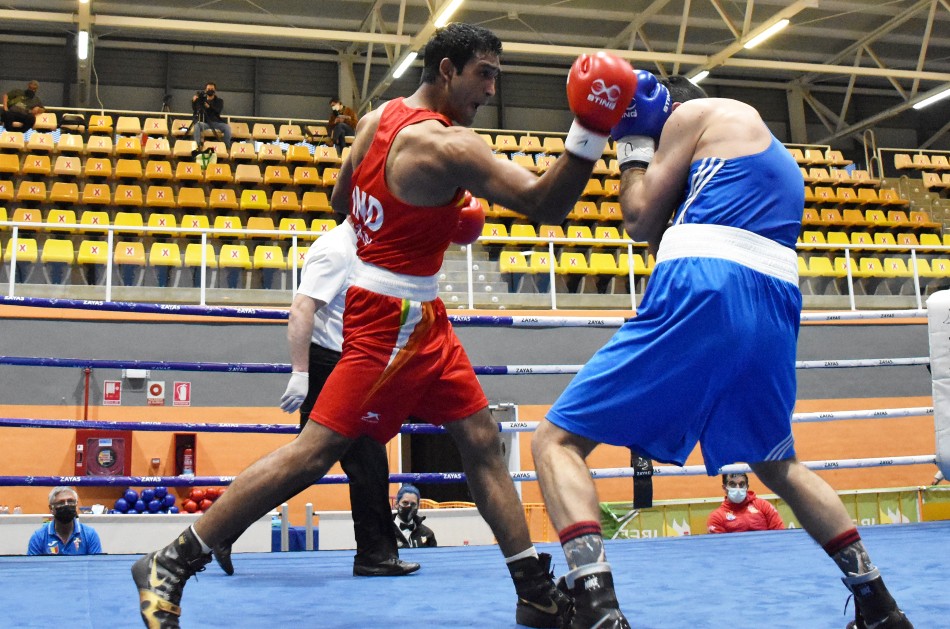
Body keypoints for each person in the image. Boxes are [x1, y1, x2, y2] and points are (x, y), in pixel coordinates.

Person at [132, 22, 636, 629]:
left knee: (479, 441)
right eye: (484, 73)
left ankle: (533, 589)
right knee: (316, 452)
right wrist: (591, 129)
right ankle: (172, 560)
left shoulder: (378, 119)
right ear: (446, 70)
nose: (492, 89)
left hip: (417, 311)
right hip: (392, 319)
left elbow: (344, 199)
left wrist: (425, 220)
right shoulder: (449, 146)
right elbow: (546, 205)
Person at [531, 71, 912, 629]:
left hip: (710, 285)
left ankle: (596, 609)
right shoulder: (761, 153)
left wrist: (635, 144)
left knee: (554, 441)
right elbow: (664, 231)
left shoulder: (695, 114)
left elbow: (638, 219)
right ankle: (880, 605)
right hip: (776, 306)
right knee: (779, 463)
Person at [212, 217, 419, 578]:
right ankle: (375, 555)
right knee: (349, 460)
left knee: (320, 463)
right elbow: (302, 309)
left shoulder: (367, 248)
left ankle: (223, 529)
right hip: (331, 364)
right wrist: (301, 373)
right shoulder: (336, 249)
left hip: (351, 364)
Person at [27, 487, 102, 556]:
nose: (66, 505)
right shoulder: (39, 537)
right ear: (51, 508)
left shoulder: (89, 534)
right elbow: (32, 568)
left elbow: (96, 567)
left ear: (76, 505)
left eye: (70, 501)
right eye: (61, 503)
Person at [706, 472, 785, 534]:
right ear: (724, 488)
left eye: (741, 484)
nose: (738, 488)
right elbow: (719, 547)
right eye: (732, 484)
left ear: (747, 487)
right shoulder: (717, 517)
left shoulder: (763, 506)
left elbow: (780, 533)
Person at [392, 484, 437, 548]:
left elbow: (433, 556)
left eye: (413, 504)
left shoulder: (427, 534)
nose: (409, 506)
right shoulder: (384, 532)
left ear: (418, 506)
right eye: (405, 503)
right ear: (396, 504)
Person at [192, 82, 232, 149]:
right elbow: (196, 110)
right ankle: (197, 146)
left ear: (215, 91)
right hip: (204, 122)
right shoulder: (201, 100)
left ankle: (226, 147)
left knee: (227, 127)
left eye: (212, 89)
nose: (210, 90)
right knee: (197, 125)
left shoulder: (219, 101)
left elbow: (217, 111)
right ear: (205, 90)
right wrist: (194, 102)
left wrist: (209, 107)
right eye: (208, 89)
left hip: (216, 122)